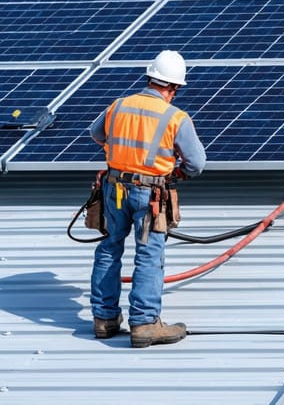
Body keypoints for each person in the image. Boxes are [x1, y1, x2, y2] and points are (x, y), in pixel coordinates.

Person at [87, 50, 206, 348]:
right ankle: (144, 323)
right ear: (173, 87)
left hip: (114, 189)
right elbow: (196, 163)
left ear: (149, 78)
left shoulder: (119, 106)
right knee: (149, 255)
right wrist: (175, 169)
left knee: (109, 248)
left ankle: (103, 319)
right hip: (149, 194)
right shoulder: (175, 117)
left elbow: (96, 134)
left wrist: (122, 157)